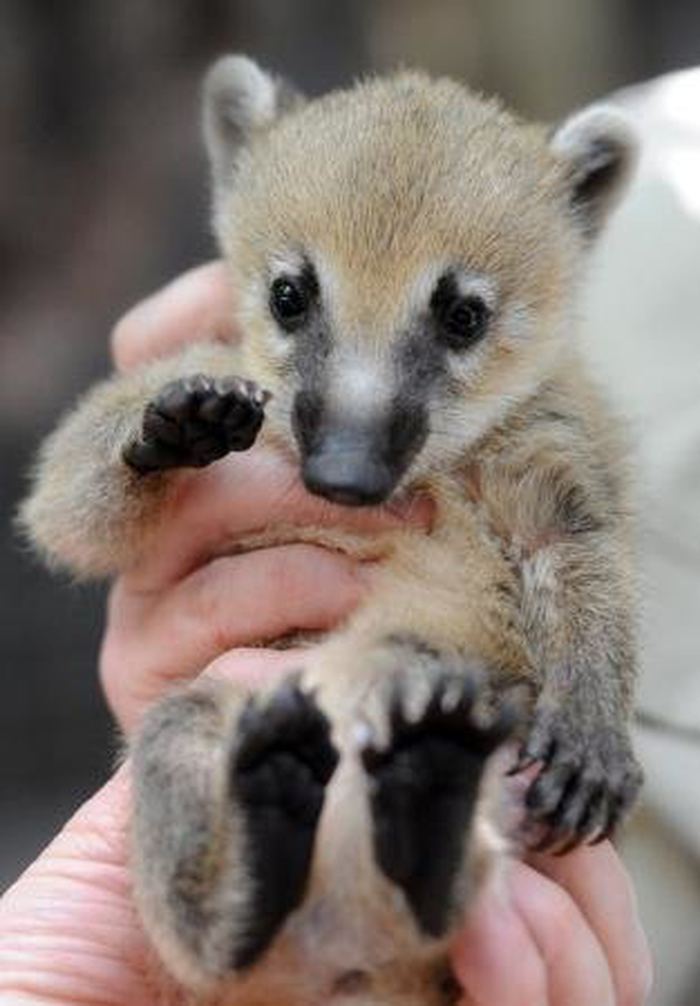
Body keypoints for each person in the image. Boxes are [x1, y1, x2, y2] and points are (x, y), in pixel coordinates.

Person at [0, 263, 652, 1006]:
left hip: (428, 704)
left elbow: (573, 551)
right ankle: (278, 887)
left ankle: (412, 839)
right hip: (280, 744)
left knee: (436, 715)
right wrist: (143, 438)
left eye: (457, 322)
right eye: (295, 302)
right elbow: (66, 523)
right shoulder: (217, 368)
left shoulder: (529, 406)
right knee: (185, 737)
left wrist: (591, 720)